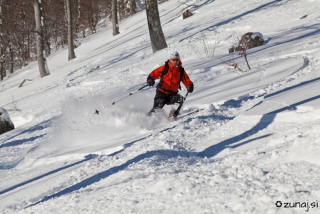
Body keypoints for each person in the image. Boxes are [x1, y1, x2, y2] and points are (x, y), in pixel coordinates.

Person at [147, 51, 194, 118]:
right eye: (173, 60)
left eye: (177, 60)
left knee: (179, 99)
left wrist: (190, 86)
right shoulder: (165, 68)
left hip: (172, 95)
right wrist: (150, 80)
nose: (175, 62)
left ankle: (172, 116)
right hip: (161, 93)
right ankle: (146, 120)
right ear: (170, 60)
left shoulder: (181, 71)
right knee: (157, 109)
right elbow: (153, 74)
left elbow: (187, 80)